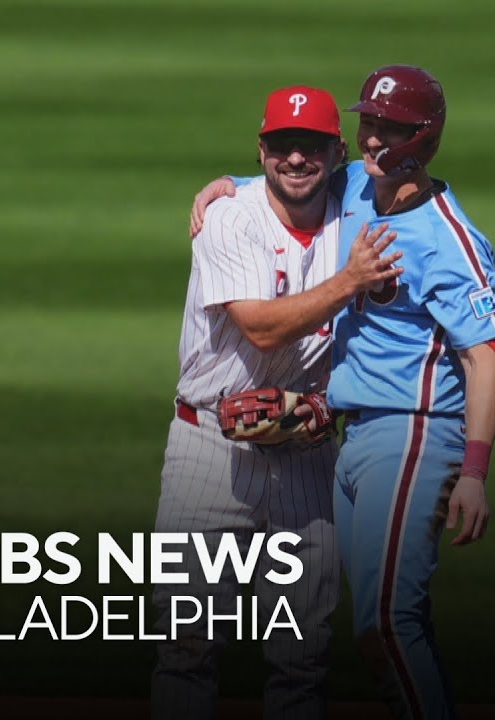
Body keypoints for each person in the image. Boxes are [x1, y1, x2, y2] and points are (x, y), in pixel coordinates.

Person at [189, 65, 495, 720]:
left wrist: (474, 473)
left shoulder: (451, 241)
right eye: (367, 124)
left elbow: (488, 357)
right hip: (348, 437)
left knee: (388, 621)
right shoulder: (361, 188)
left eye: (387, 129)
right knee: (367, 631)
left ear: (423, 138)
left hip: (414, 432)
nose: (369, 140)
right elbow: (294, 180)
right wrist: (227, 186)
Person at [151, 84, 404, 720]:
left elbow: (413, 181)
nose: (296, 159)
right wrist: (349, 282)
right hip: (209, 449)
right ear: (263, 149)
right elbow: (261, 327)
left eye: (311, 146)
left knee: (303, 655)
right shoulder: (230, 218)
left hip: (306, 457)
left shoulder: (353, 203)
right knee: (185, 644)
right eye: (282, 146)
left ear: (336, 152)